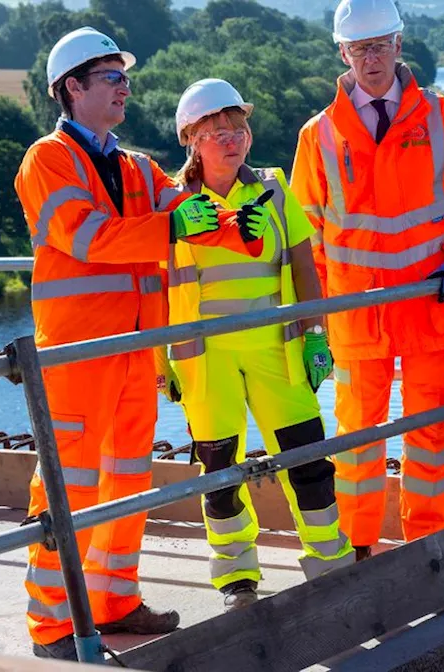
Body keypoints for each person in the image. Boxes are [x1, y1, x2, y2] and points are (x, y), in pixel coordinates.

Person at [13, 27, 261, 660]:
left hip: (134, 349)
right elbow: (84, 236)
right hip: (75, 352)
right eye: (111, 77)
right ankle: (52, 623)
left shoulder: (137, 167)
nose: (125, 87)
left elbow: (187, 215)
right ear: (72, 88)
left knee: (126, 481)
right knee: (70, 486)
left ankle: (115, 603)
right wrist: (176, 223)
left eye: (124, 77)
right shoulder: (47, 160)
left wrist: (240, 227)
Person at [289, 0, 444, 560]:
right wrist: (319, 316)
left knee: (430, 434)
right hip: (356, 315)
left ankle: (424, 544)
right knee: (357, 439)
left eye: (380, 44)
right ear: (342, 53)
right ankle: (357, 548)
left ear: (399, 45)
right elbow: (304, 239)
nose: (371, 58)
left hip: (432, 304)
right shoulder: (320, 134)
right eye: (360, 48)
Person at [153, 78, 354, 612]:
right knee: (219, 477)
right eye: (215, 131)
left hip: (277, 351)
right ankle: (237, 576)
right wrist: (160, 360)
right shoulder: (174, 205)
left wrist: (316, 334)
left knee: (309, 461)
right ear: (190, 138)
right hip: (206, 360)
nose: (230, 139)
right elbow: (157, 286)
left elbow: (305, 266)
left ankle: (330, 563)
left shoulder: (272, 188)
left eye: (237, 128)